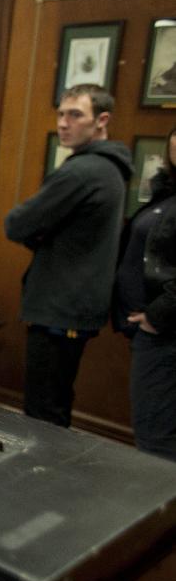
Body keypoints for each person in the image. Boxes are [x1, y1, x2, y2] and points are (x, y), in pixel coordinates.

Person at [5, 84, 133, 428]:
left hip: (60, 306)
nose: (63, 123)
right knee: (55, 402)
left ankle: (41, 481)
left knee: (44, 412)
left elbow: (16, 224)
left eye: (75, 115)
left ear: (102, 120)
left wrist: (43, 233)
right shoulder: (111, 167)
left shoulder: (83, 171)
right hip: (75, 305)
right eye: (61, 114)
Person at [112, 124, 176, 461]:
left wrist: (157, 315)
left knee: (156, 441)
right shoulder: (166, 192)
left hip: (165, 335)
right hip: (153, 335)